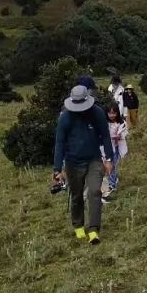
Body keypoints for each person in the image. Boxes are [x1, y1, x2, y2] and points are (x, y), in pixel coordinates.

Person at [53, 84, 112, 244]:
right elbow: (59, 143)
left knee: (95, 192)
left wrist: (109, 159)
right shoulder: (65, 117)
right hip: (72, 162)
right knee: (77, 195)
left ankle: (94, 230)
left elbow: (106, 136)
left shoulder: (97, 113)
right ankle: (78, 225)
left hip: (94, 160)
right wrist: (57, 169)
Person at [104, 101, 128, 196]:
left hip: (116, 147)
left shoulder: (121, 123)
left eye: (114, 113)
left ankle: (112, 184)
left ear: (117, 113)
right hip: (107, 147)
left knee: (113, 165)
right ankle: (110, 182)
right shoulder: (105, 123)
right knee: (106, 166)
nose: (112, 115)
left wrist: (120, 135)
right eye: (110, 113)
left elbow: (125, 132)